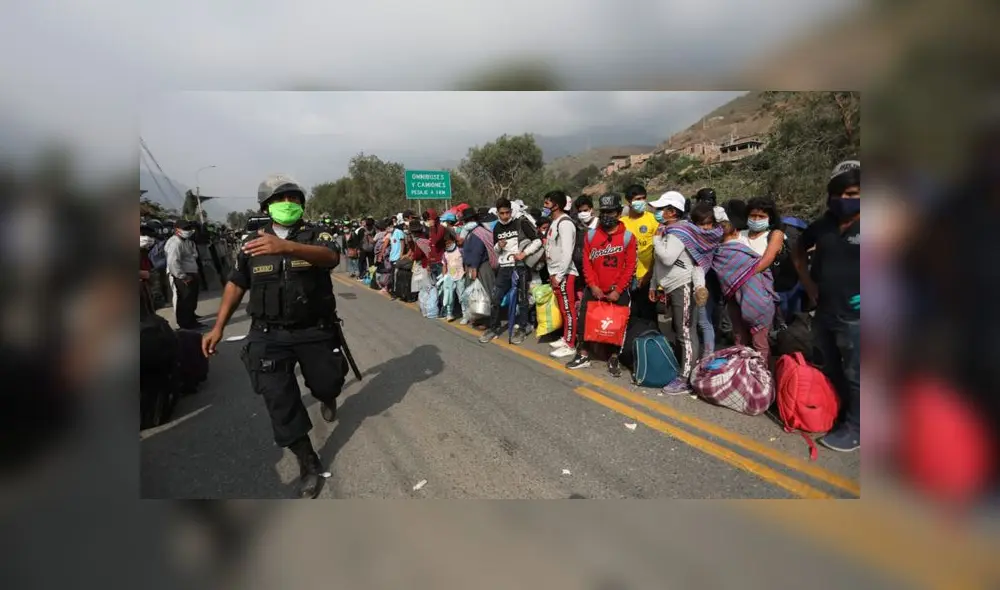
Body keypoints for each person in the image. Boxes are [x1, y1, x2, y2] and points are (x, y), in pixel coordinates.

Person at [201, 174, 345, 499]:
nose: (288, 204)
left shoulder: (316, 234)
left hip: (314, 330)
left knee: (328, 383)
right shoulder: (251, 243)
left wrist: (288, 247)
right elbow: (236, 283)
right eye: (281, 199)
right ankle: (307, 461)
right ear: (266, 206)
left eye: (294, 199)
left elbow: (331, 257)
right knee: (280, 401)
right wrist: (218, 326)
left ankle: (327, 395)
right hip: (268, 335)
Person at [793, 160, 860, 453]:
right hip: (825, 312)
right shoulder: (823, 226)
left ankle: (857, 428)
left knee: (858, 374)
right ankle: (839, 412)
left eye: (852, 193)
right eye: (838, 194)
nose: (844, 199)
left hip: (859, 318)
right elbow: (797, 249)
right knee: (831, 367)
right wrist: (808, 284)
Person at [566, 193, 637, 377]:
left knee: (616, 325)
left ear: (619, 213)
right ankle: (583, 354)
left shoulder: (628, 237)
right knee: (585, 322)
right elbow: (586, 263)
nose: (606, 216)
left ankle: (614, 357)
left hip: (617, 290)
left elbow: (630, 266)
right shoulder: (590, 236)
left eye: (611, 212)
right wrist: (593, 286)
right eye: (603, 212)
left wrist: (618, 290)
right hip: (594, 288)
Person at [648, 191, 702, 394]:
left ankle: (686, 379)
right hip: (672, 287)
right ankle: (685, 369)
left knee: (685, 333)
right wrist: (654, 284)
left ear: (672, 211)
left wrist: (655, 239)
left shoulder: (679, 232)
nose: (657, 212)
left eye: (661, 209)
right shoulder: (668, 231)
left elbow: (667, 257)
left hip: (683, 286)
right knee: (681, 331)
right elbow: (659, 263)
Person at [479, 198, 542, 345]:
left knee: (522, 299)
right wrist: (499, 246)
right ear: (497, 213)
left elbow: (538, 241)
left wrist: (524, 253)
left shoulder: (520, 223)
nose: (505, 216)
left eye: (507, 212)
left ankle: (522, 328)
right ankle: (493, 328)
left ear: (511, 211)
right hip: (504, 268)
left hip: (520, 267)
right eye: (502, 213)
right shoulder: (497, 228)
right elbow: (495, 250)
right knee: (495, 298)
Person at [543, 190, 579, 359]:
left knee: (568, 310)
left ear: (556, 205)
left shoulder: (565, 224)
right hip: (555, 272)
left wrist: (559, 276)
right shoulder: (555, 222)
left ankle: (570, 344)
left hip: (564, 274)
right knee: (564, 309)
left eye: (547, 203)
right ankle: (565, 338)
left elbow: (567, 253)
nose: (544, 206)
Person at [620, 184, 659, 322]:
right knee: (631, 315)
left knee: (649, 315)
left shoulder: (653, 220)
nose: (642, 202)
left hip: (648, 276)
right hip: (627, 277)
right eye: (638, 199)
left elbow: (657, 251)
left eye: (643, 198)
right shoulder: (621, 223)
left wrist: (650, 274)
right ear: (628, 202)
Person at [460, 208, 497, 327]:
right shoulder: (472, 232)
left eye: (468, 220)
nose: (466, 223)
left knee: (485, 293)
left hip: (481, 267)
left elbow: (477, 251)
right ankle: (478, 317)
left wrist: (474, 267)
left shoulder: (478, 233)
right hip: (473, 266)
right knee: (475, 293)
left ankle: (487, 320)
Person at [164, 220, 203, 330]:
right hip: (182, 275)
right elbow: (173, 262)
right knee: (184, 300)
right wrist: (182, 276)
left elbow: (193, 255)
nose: (188, 231)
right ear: (177, 230)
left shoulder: (186, 241)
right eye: (185, 229)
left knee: (191, 299)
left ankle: (191, 320)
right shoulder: (175, 243)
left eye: (189, 228)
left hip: (191, 272)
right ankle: (185, 325)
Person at [441, 231, 465, 321]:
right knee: (449, 296)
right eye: (446, 244)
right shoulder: (445, 254)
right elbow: (444, 265)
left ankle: (465, 315)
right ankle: (449, 314)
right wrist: (444, 277)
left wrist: (466, 272)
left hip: (460, 276)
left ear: (453, 241)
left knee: (462, 296)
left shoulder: (460, 250)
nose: (448, 245)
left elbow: (465, 262)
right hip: (450, 276)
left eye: (449, 243)